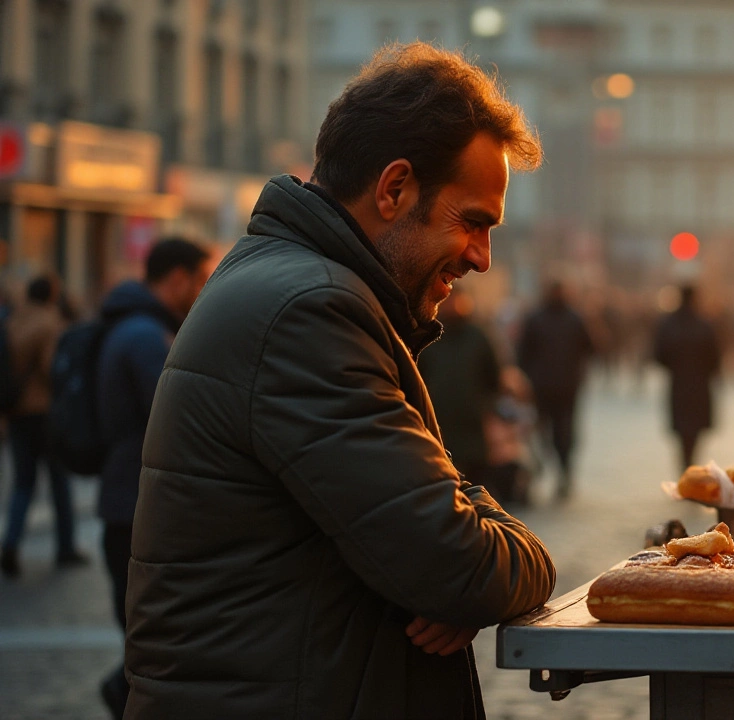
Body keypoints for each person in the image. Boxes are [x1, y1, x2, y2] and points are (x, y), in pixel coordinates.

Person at [124, 43, 555, 719]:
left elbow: (432, 535)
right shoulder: (310, 310)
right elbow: (461, 566)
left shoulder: (294, 284)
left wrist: (449, 534)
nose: (481, 255)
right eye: (472, 222)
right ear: (393, 189)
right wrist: (504, 545)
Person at [94, 238, 212, 718]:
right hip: (137, 510)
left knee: (153, 647)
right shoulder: (147, 337)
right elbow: (182, 420)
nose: (206, 291)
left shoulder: (137, 328)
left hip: (127, 504)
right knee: (157, 651)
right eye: (202, 280)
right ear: (177, 278)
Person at [0, 276, 86, 578]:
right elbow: (54, 369)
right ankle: (65, 547)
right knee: (59, 480)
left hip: (17, 413)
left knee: (23, 483)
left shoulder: (12, 320)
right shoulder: (50, 323)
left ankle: (10, 542)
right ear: (51, 295)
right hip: (46, 412)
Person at [417, 287, 501, 491]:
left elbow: (493, 376)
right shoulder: (429, 335)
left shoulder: (478, 336)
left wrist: (485, 406)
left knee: (475, 480)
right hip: (438, 423)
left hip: (472, 422)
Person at [517, 281, 594, 498]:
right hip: (562, 385)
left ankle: (561, 469)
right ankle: (563, 468)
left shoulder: (539, 318)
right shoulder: (574, 318)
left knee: (552, 431)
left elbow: (522, 354)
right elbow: (592, 348)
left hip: (550, 385)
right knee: (562, 431)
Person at [653, 285, 722, 469]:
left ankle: (685, 464)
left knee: (683, 430)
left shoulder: (668, 324)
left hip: (679, 384)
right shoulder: (705, 324)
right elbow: (715, 357)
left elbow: (659, 355)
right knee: (695, 429)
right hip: (700, 384)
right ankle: (690, 463)